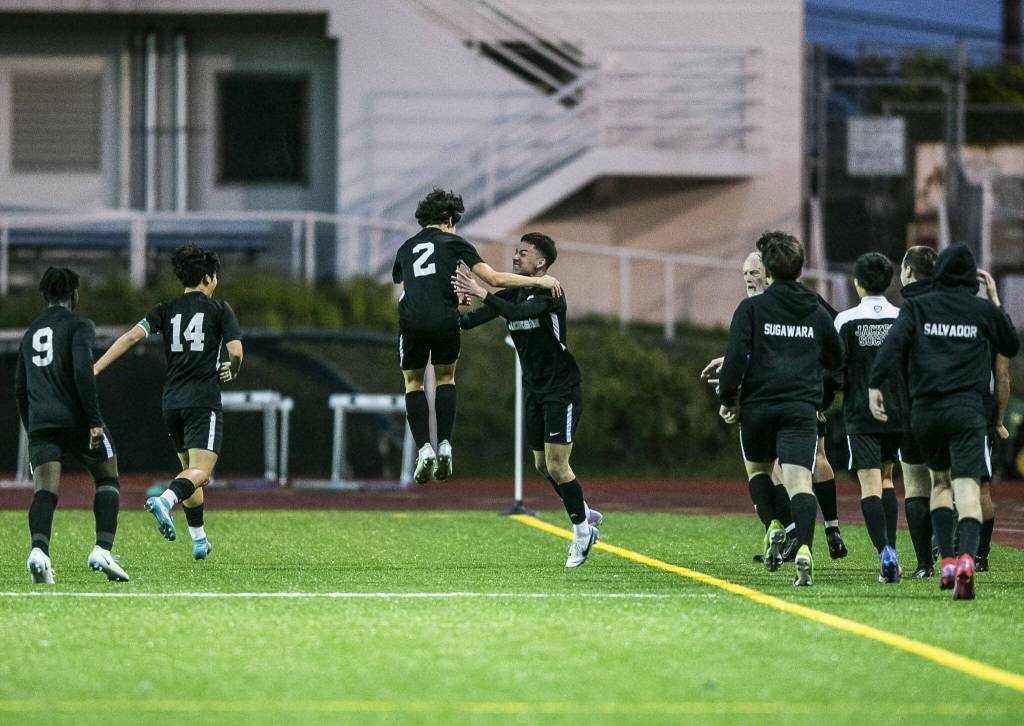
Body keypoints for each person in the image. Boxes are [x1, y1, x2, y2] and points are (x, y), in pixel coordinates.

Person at [869, 244, 1019, 600]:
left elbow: (892, 347)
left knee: (939, 485)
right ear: (971, 277)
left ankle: (948, 562)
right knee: (966, 488)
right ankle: (967, 559)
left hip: (927, 412)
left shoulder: (919, 307)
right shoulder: (980, 310)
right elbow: (1010, 344)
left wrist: (875, 384)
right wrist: (994, 300)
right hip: (967, 411)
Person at [393, 189, 561, 484]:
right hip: (446, 320)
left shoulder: (406, 248)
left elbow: (409, 287)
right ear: (448, 218)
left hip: (412, 321)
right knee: (446, 379)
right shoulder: (455, 242)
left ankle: (424, 449)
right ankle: (445, 442)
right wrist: (538, 280)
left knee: (414, 383)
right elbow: (494, 279)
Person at [454, 233, 601, 567]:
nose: (516, 257)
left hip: (561, 388)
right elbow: (472, 320)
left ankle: (581, 530)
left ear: (541, 264)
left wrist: (483, 293)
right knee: (541, 464)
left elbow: (514, 312)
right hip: (535, 388)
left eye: (524, 253)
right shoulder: (515, 291)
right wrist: (448, 311)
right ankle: (581, 508)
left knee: (556, 464)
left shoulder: (549, 291)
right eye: (516, 252)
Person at [94, 245, 243, 559]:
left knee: (188, 472)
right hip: (202, 400)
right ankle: (164, 501)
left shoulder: (166, 309)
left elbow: (132, 336)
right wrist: (233, 369)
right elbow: (236, 352)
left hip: (172, 402)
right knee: (202, 472)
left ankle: (199, 540)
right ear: (207, 277)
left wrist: (96, 367)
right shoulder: (219, 310)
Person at [702, 250, 847, 563]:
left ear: (770, 272)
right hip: (798, 403)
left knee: (771, 469)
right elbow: (826, 352)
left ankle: (797, 529)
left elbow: (765, 352)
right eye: (746, 274)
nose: (751, 278)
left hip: (769, 403)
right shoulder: (803, 306)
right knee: (794, 475)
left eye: (756, 271)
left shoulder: (771, 307)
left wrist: (729, 396)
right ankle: (800, 538)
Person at [15, 267, 128, 583]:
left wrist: (32, 432)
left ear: (44, 295)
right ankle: (102, 549)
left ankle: (39, 551)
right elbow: (83, 371)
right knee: (108, 477)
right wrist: (94, 420)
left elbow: (20, 389)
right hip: (76, 420)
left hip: (41, 425)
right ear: (74, 294)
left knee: (45, 492)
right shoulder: (80, 325)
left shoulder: (30, 333)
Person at [833, 253, 909, 584]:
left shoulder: (846, 321)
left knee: (869, 485)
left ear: (857, 283)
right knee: (889, 478)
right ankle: (891, 548)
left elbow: (836, 368)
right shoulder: (902, 317)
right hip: (896, 410)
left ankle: (884, 554)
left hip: (861, 413)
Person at [893, 245, 942, 579]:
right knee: (946, 483)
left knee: (914, 484)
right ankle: (953, 554)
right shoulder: (952, 307)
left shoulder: (908, 310)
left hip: (912, 408)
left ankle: (925, 564)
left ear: (909, 272)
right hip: (950, 406)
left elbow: (894, 359)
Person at [976, 268, 1011, 572]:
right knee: (980, 486)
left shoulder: (940, 312)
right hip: (979, 411)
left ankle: (940, 549)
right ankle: (981, 554)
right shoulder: (993, 322)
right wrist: (999, 419)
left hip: (939, 407)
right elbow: (1001, 376)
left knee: (941, 483)